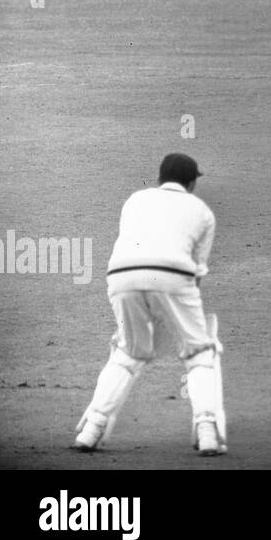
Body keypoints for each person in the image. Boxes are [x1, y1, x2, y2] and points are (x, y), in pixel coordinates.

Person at [72, 154, 226, 457]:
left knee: (129, 353)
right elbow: (196, 274)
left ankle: (91, 429)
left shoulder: (135, 200)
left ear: (160, 177)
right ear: (192, 182)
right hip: (174, 275)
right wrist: (184, 324)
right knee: (198, 353)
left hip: (120, 275)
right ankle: (207, 430)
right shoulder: (202, 212)